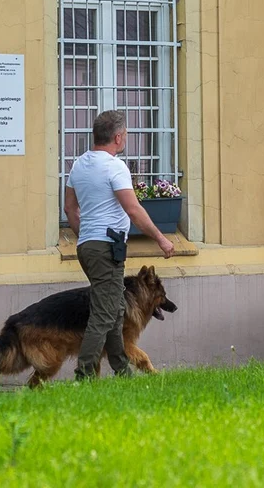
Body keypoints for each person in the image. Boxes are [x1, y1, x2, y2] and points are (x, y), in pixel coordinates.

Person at [64, 110, 175, 381]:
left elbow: (70, 209)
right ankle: (84, 376)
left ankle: (123, 370)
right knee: (104, 313)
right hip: (106, 249)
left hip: (87, 246)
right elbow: (133, 210)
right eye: (124, 135)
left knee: (113, 309)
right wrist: (161, 238)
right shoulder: (115, 167)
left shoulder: (79, 164)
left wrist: (86, 234)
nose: (124, 139)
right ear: (117, 137)